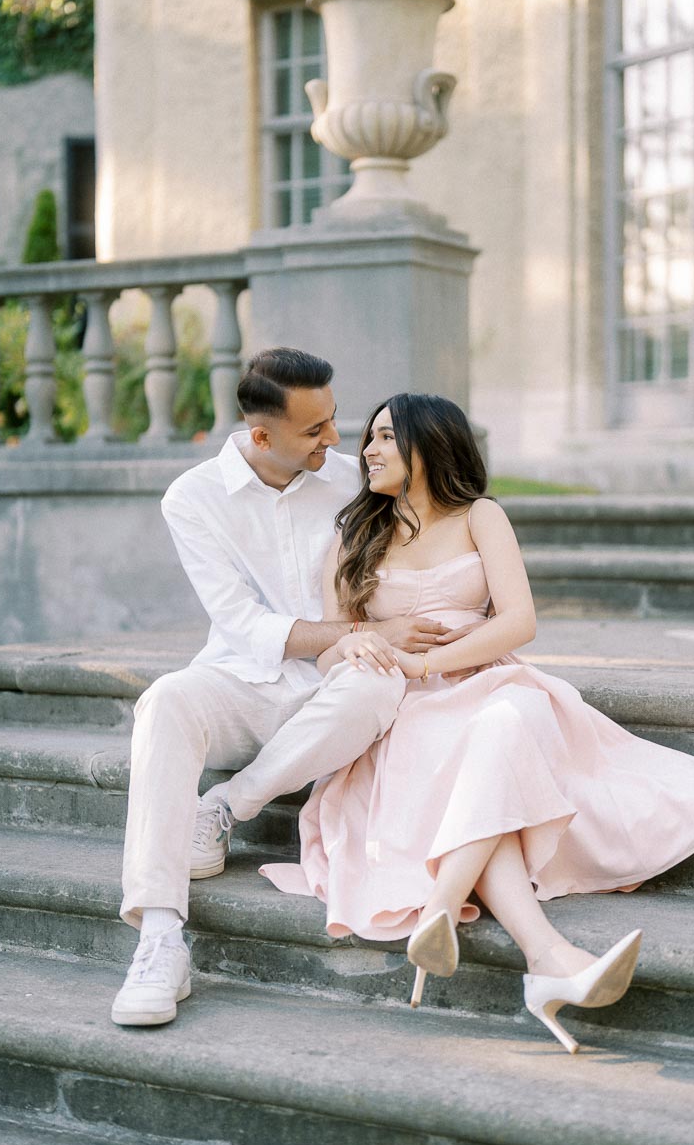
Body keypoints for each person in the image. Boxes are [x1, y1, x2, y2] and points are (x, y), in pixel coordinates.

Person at [261, 393, 694, 1054]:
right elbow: (331, 643)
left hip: (485, 679)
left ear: (428, 444)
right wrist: (358, 646)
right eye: (369, 438)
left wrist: (434, 663)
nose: (368, 450)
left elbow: (518, 622)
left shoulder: (481, 516)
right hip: (399, 707)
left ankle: (447, 908)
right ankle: (546, 956)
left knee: (509, 719)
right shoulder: (353, 533)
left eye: (386, 437)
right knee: (471, 752)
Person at [112, 351, 462, 1028]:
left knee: (374, 687)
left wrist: (390, 629)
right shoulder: (193, 498)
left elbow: (434, 523)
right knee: (165, 701)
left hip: (337, 684)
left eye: (334, 422)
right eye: (315, 431)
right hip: (241, 677)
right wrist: (355, 628)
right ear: (262, 436)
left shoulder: (347, 482)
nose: (335, 441)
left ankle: (222, 808)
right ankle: (158, 939)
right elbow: (241, 623)